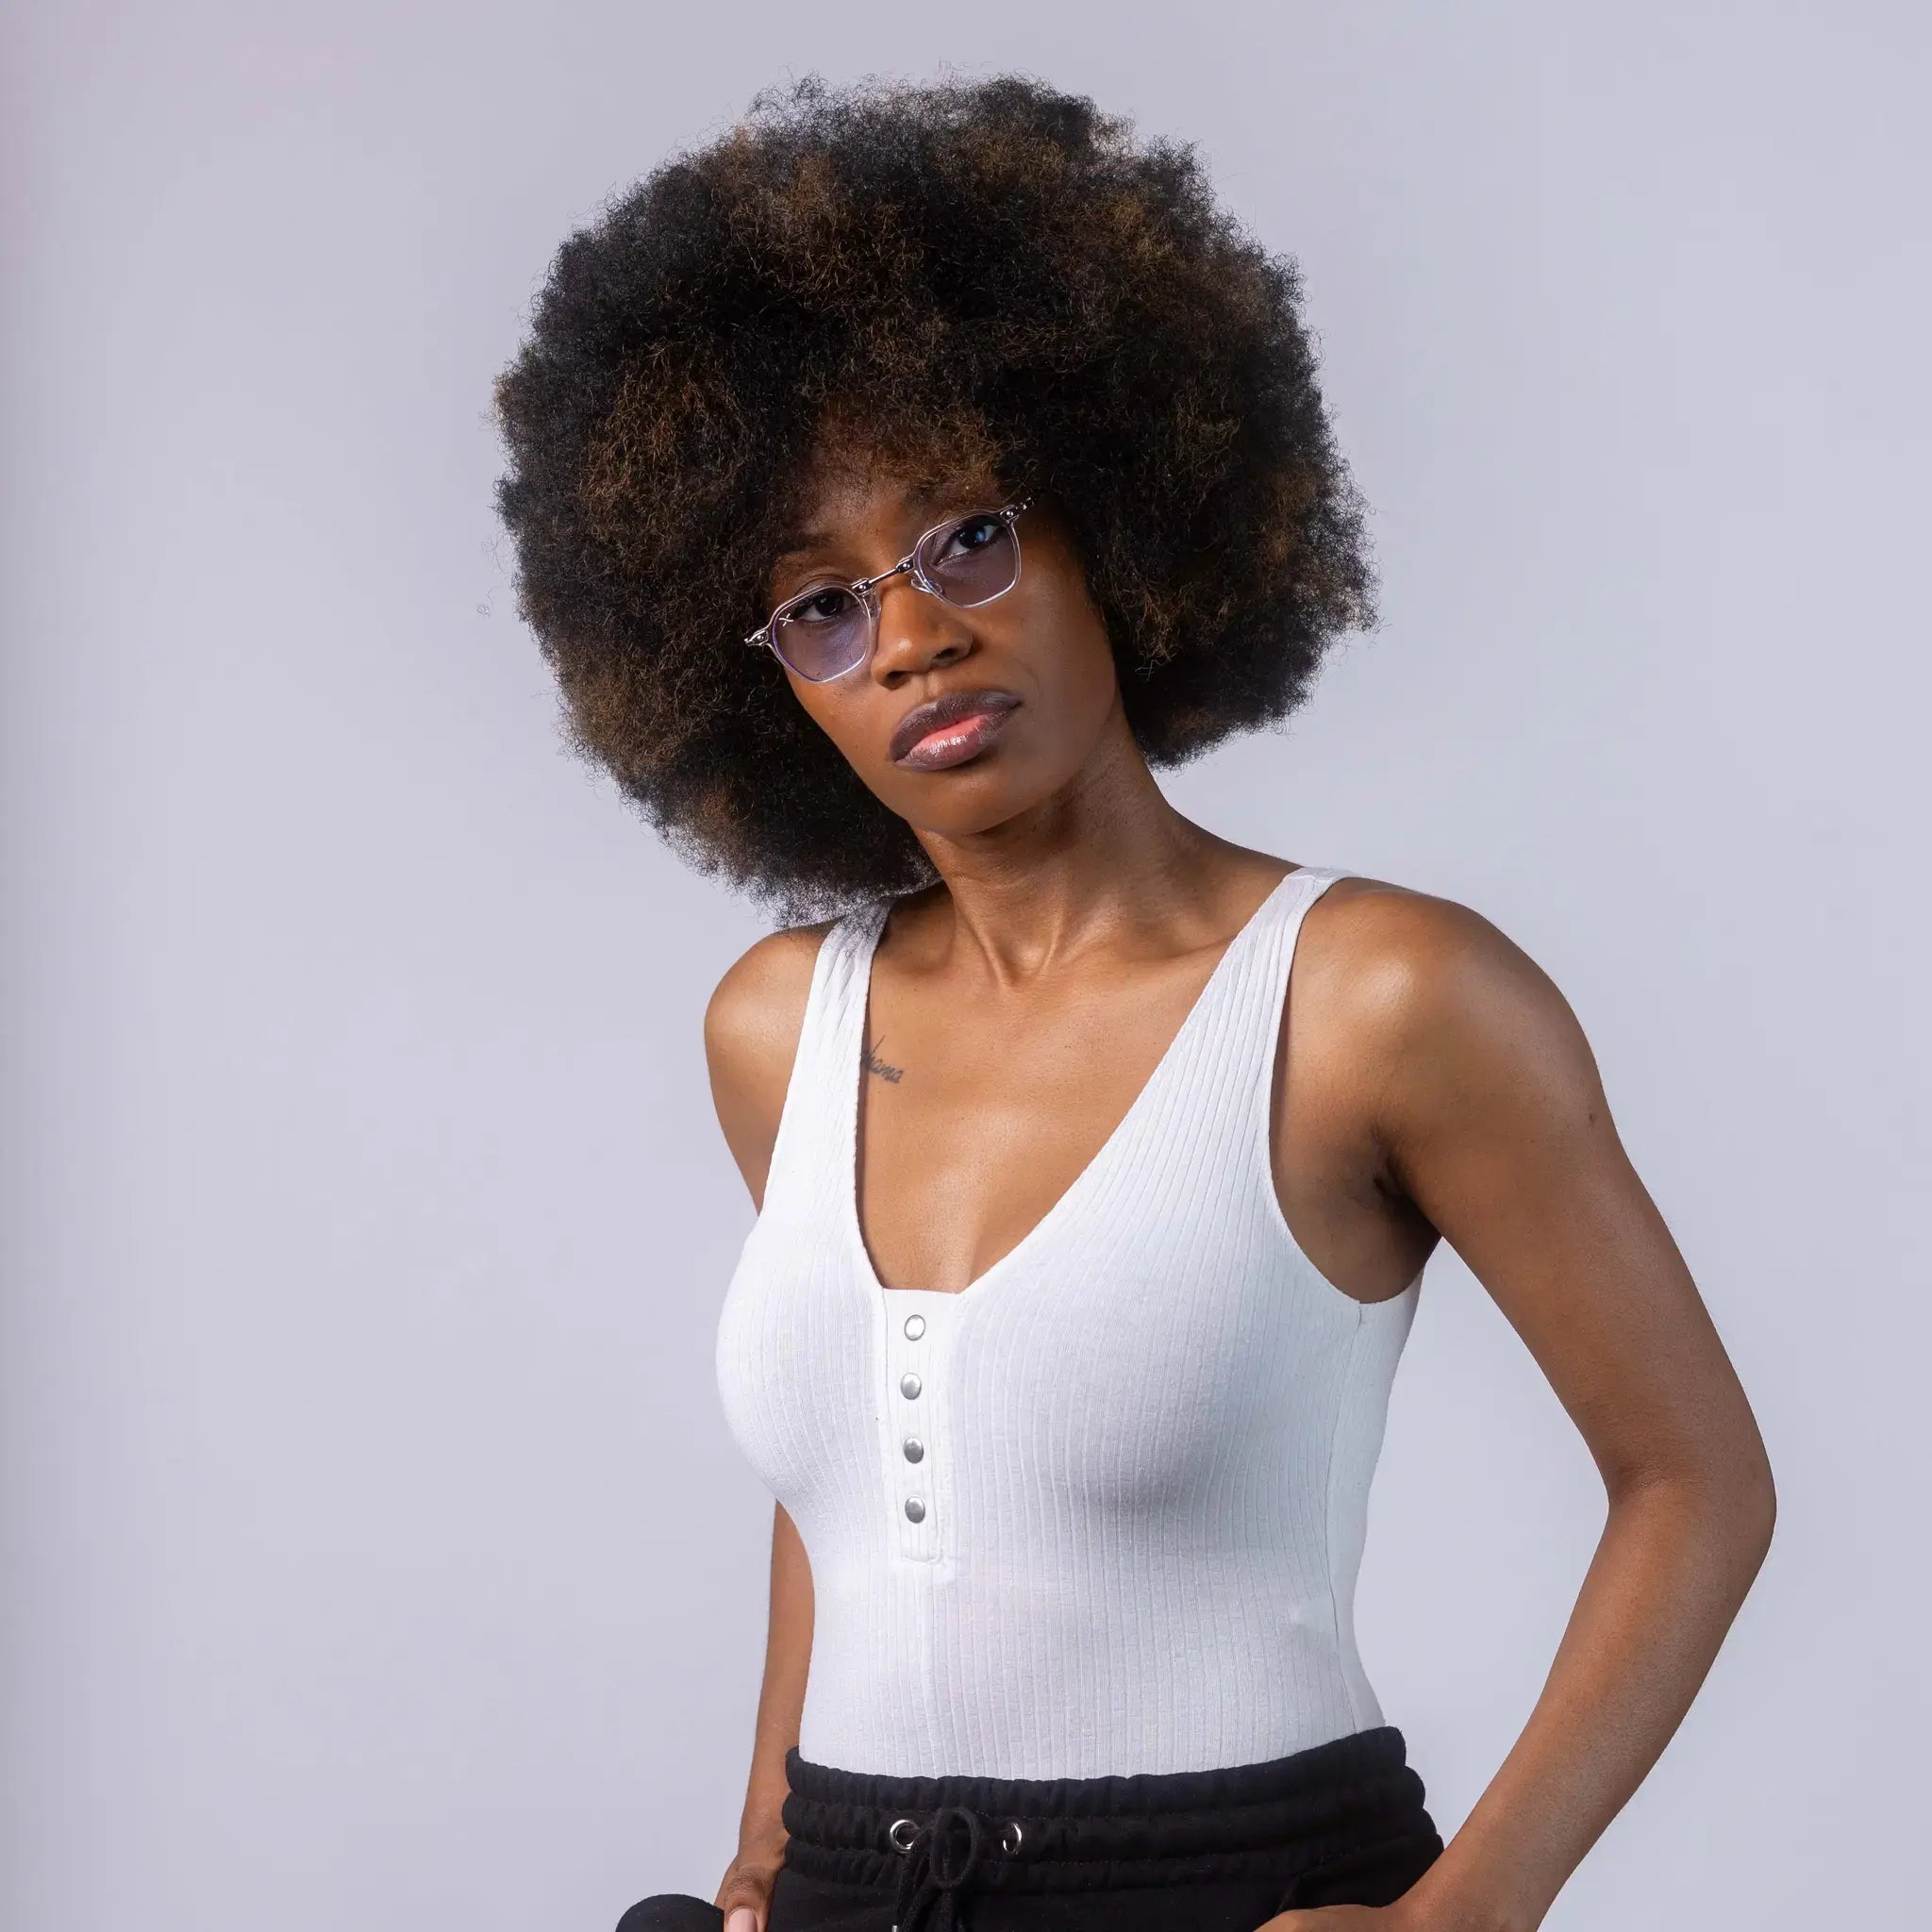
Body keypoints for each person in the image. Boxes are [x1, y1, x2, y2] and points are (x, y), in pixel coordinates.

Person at [491, 73, 1774, 1932]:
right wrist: (767, 1847)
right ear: (767, 680)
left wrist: (1468, 1914)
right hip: (851, 1888)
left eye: (964, 538)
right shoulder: (777, 1029)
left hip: (1237, 1882)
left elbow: (1693, 1480)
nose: (911, 631)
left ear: (1109, 518)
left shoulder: (1379, 997)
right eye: (821, 608)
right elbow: (843, 1488)